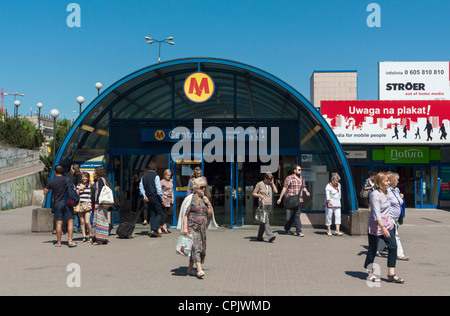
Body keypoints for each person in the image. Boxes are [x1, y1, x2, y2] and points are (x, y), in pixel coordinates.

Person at [364, 172, 404, 284]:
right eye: (386, 181)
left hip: (388, 224)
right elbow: (376, 212)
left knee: (393, 246)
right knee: (372, 250)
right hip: (376, 225)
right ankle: (370, 273)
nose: (389, 182)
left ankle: (391, 274)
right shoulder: (375, 194)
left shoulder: (388, 192)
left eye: (389, 180)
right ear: (380, 182)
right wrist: (383, 228)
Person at [180, 177, 214, 278]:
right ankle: (199, 270)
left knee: (200, 249)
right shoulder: (190, 199)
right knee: (196, 247)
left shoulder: (204, 199)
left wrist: (208, 205)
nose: (203, 189)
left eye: (204, 187)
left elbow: (209, 214)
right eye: (201, 187)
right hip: (192, 227)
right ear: (195, 188)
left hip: (202, 229)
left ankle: (189, 270)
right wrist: (185, 228)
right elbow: (185, 214)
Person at [377, 172, 409, 261]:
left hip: (396, 217)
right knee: (395, 236)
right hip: (389, 217)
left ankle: (377, 250)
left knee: (386, 235)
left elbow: (399, 201)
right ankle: (400, 254)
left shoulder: (396, 190)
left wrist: (401, 196)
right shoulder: (387, 191)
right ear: (392, 181)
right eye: (397, 180)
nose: (398, 181)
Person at [44, 165, 77, 248]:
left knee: (59, 223)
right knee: (70, 221)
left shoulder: (52, 181)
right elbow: (73, 189)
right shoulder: (67, 179)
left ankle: (59, 242)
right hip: (67, 203)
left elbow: (45, 192)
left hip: (58, 203)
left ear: (55, 172)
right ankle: (70, 241)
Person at [277, 164, 310, 237]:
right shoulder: (289, 178)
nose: (300, 171)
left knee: (295, 215)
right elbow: (285, 188)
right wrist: (280, 198)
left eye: (301, 170)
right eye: (299, 170)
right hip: (292, 199)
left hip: (300, 200)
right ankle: (299, 231)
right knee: (296, 215)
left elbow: (303, 187)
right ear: (294, 170)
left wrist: (306, 191)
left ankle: (287, 227)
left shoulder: (302, 179)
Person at [140, 162, 164, 237]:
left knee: (152, 213)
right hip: (155, 196)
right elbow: (158, 189)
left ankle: (152, 230)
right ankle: (154, 229)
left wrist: (144, 195)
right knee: (160, 213)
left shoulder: (143, 177)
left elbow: (141, 187)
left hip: (148, 198)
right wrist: (162, 198)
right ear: (155, 169)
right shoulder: (156, 176)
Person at [252, 172, 278, 242]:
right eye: (268, 179)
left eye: (270, 179)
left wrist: (272, 183)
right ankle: (270, 236)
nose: (269, 181)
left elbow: (276, 191)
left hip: (269, 204)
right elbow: (254, 193)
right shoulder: (259, 184)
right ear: (264, 178)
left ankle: (259, 237)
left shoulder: (270, 184)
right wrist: (259, 195)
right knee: (266, 220)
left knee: (263, 221)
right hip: (262, 204)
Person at [91, 166, 112, 245]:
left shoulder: (100, 180)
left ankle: (99, 239)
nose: (93, 173)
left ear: (98, 172)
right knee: (103, 220)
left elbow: (99, 192)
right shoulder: (104, 179)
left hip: (100, 204)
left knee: (99, 221)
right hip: (103, 204)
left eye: (95, 172)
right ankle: (101, 238)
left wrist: (97, 203)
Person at [76, 171, 93, 243]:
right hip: (80, 204)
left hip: (87, 204)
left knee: (87, 221)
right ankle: (84, 236)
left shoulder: (89, 185)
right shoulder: (79, 185)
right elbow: (76, 194)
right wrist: (80, 189)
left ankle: (91, 236)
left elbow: (93, 183)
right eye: (83, 177)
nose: (84, 178)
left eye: (85, 177)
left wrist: (89, 179)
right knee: (82, 222)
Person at [160, 169, 174, 234]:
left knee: (171, 213)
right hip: (164, 199)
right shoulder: (161, 182)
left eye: (170, 175)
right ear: (165, 175)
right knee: (163, 214)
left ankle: (165, 225)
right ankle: (159, 227)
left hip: (170, 199)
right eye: (168, 175)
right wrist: (162, 196)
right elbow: (159, 191)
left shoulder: (171, 181)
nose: (169, 176)